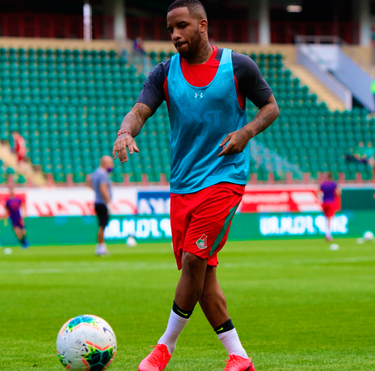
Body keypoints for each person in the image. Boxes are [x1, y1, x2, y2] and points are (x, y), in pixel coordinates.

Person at [112, 1, 279, 370]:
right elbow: (140, 110)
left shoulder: (238, 65)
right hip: (183, 184)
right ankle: (239, 357)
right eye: (170, 28)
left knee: (193, 260)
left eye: (182, 26)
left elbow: (270, 106)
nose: (174, 35)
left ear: (202, 25)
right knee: (201, 274)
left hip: (224, 177)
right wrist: (125, 131)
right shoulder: (163, 73)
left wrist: (246, 132)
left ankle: (163, 349)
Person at [90, 156, 114, 256]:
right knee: (102, 226)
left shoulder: (96, 172)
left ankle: (101, 246)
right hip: (102, 202)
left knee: (102, 225)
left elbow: (89, 182)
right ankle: (101, 247)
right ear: (105, 163)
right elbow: (103, 188)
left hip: (97, 201)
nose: (112, 166)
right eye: (111, 163)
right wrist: (108, 202)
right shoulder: (103, 173)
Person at [319, 172, 340, 241]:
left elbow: (318, 192)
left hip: (324, 202)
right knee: (330, 219)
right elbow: (338, 193)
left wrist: (321, 198)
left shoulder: (323, 184)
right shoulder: (334, 184)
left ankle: (327, 233)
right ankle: (328, 235)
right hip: (331, 202)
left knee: (326, 218)